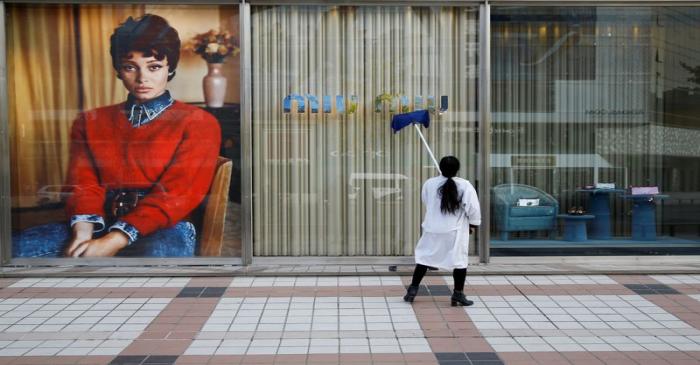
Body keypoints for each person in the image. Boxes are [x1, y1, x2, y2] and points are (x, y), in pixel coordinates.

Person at [12, 14, 221, 257]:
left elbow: (178, 193)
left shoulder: (199, 122)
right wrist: (83, 234)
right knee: (15, 249)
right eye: (130, 67)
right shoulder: (90, 121)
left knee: (153, 268)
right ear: (119, 71)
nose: (142, 78)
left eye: (154, 67)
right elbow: (83, 183)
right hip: (100, 220)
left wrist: (114, 240)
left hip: (167, 226)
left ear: (170, 68)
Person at [403, 156, 481, 306]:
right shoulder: (464, 185)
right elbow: (473, 208)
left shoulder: (429, 184)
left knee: (424, 259)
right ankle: (458, 294)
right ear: (458, 169)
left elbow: (426, 201)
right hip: (455, 230)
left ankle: (412, 290)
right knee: (459, 262)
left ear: (440, 167)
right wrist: (473, 224)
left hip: (432, 228)